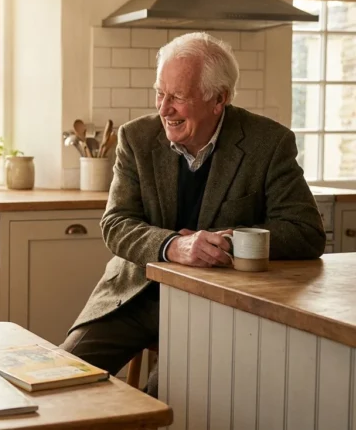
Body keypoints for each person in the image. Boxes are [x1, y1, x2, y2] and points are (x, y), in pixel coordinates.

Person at [61, 32, 326, 395]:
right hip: (133, 294)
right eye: (160, 93)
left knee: (167, 399)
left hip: (215, 307)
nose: (164, 108)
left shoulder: (269, 143)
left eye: (179, 97)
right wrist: (173, 246)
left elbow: (305, 231)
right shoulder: (136, 138)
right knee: (60, 378)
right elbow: (116, 224)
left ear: (219, 99)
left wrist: (226, 243)